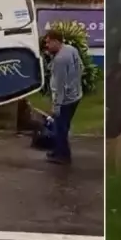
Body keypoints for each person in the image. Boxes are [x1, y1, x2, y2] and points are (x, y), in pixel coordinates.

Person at [44, 29, 84, 164]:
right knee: (61, 125)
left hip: (65, 100)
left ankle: (64, 156)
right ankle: (58, 150)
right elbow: (81, 67)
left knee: (60, 127)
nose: (47, 46)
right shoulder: (71, 49)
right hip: (76, 95)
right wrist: (75, 84)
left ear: (56, 41)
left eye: (49, 43)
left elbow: (59, 87)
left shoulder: (60, 59)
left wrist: (56, 106)